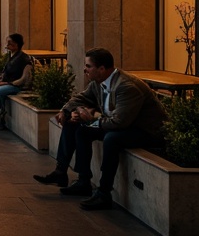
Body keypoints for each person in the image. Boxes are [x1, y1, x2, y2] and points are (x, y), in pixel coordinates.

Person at [33, 47, 166, 211]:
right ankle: (75, 178)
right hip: (120, 124)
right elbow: (81, 97)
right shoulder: (98, 82)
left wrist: (92, 118)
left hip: (144, 130)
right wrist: (66, 111)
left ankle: (104, 193)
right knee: (77, 127)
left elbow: (119, 123)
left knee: (112, 139)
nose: (85, 69)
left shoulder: (126, 87)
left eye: (88, 66)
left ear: (102, 69)